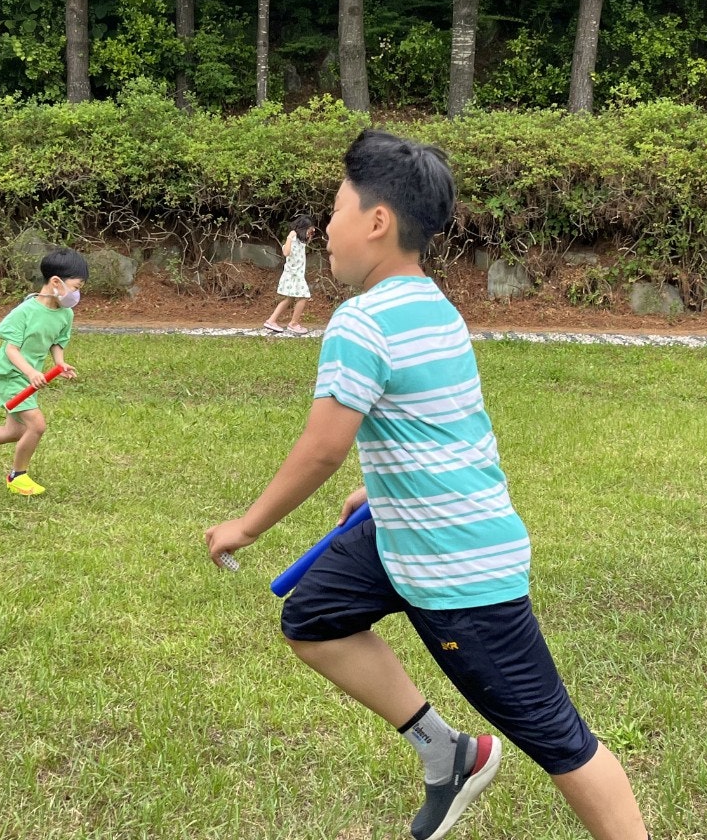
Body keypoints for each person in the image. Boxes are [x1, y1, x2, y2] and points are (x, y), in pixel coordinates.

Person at [205, 131, 649, 840]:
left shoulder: (360, 321)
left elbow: (322, 450)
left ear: (377, 221)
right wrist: (382, 489)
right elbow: (440, 424)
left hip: (458, 569)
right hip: (403, 532)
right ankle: (448, 753)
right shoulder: (434, 306)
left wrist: (246, 525)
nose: (326, 228)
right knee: (314, 617)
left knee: (561, 741)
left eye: (336, 210)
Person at [0, 248, 87, 496]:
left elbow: (57, 341)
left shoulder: (65, 313)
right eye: (75, 287)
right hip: (9, 373)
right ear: (56, 282)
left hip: (29, 376)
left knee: (15, 431)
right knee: (37, 425)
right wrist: (31, 372)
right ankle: (17, 476)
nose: (77, 294)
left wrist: (60, 363)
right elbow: (11, 350)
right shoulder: (25, 312)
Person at [263, 215, 315, 335]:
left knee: (289, 299)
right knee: (304, 296)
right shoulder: (292, 238)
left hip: (296, 275)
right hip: (293, 275)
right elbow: (286, 252)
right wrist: (290, 237)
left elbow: (306, 241)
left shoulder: (301, 241)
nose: (309, 233)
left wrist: (311, 233)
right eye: (308, 230)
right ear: (303, 228)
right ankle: (293, 324)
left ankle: (271, 320)